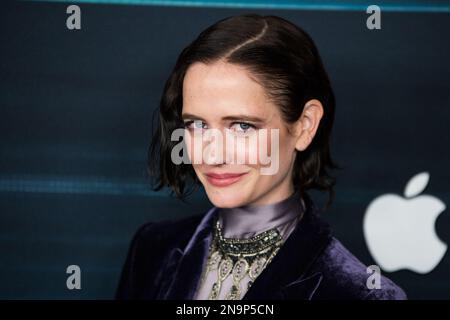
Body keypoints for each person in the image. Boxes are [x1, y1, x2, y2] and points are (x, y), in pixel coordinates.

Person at [116, 14, 407, 300]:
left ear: (305, 125)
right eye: (197, 124)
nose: (213, 154)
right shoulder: (152, 250)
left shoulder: (361, 294)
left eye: (242, 126)